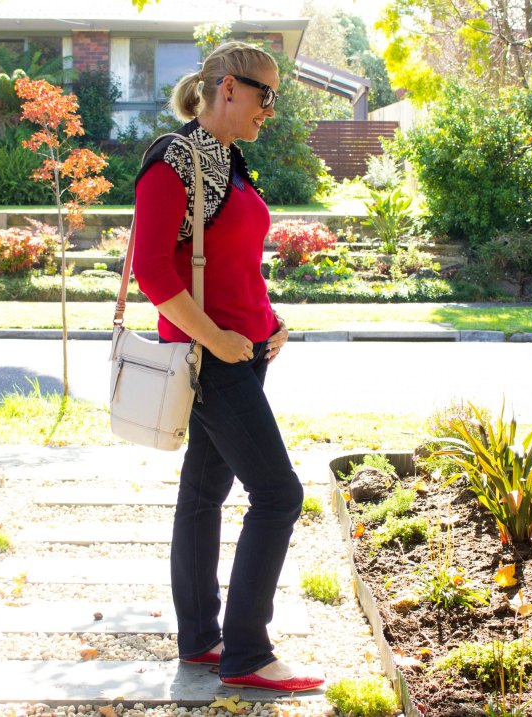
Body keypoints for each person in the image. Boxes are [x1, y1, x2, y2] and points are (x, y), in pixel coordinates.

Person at [132, 42, 324, 692]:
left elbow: (234, 261)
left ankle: (203, 640)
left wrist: (270, 322)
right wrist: (216, 336)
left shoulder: (227, 161)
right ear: (228, 90)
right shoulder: (174, 161)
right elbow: (153, 270)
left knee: (204, 495)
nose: (272, 109)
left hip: (241, 349)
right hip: (210, 358)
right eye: (266, 95)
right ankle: (246, 651)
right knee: (279, 494)